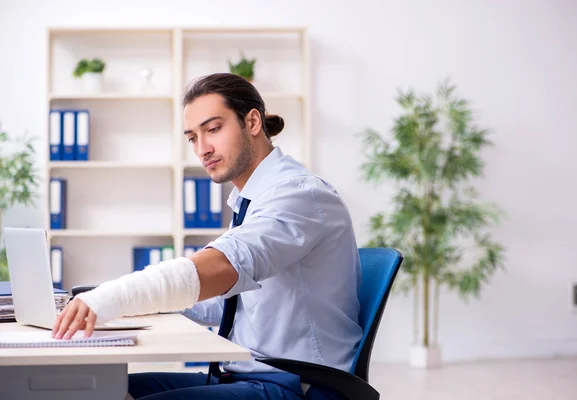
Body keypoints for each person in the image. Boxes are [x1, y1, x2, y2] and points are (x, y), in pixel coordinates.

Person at [51, 72, 363, 400]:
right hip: (245, 376)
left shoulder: (298, 194)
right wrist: (113, 300)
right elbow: (221, 304)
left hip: (299, 386)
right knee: (99, 390)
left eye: (213, 129)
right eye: (192, 138)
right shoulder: (253, 200)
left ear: (253, 122)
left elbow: (220, 267)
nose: (203, 149)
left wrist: (109, 298)